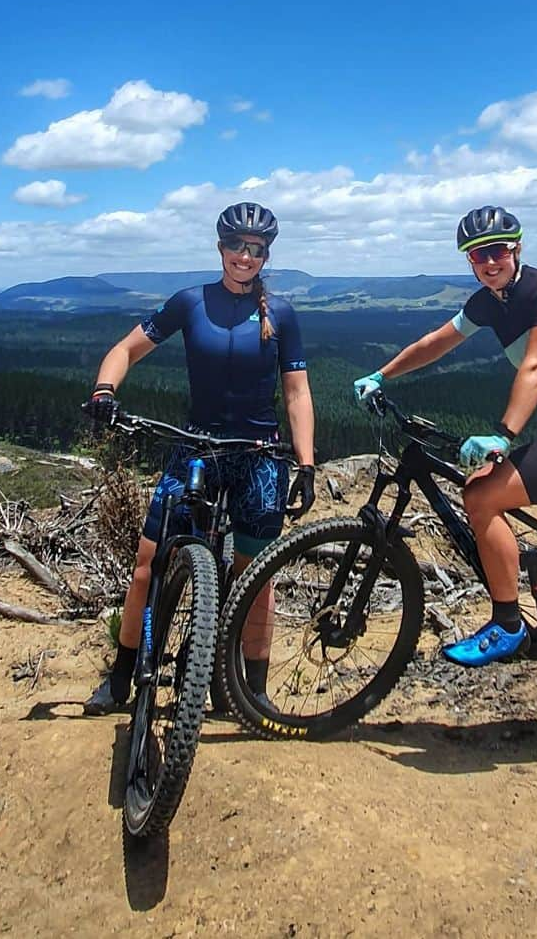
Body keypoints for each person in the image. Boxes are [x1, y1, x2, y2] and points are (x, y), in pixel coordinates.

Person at [353, 206, 537, 683]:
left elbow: (536, 367)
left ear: (517, 249)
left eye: (496, 251)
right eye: (477, 256)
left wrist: (503, 435)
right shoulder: (490, 301)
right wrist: (381, 374)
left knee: (480, 493)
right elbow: (438, 342)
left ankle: (507, 622)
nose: (488, 262)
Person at [84, 201, 316, 714]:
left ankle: (252, 691)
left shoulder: (281, 314)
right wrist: (104, 389)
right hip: (197, 446)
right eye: (237, 246)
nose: (246, 256)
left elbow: (297, 392)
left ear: (265, 255)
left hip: (259, 453)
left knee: (257, 579)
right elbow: (125, 349)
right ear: (221, 249)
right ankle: (121, 677)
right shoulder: (190, 303)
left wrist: (305, 463)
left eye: (256, 250)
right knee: (149, 562)